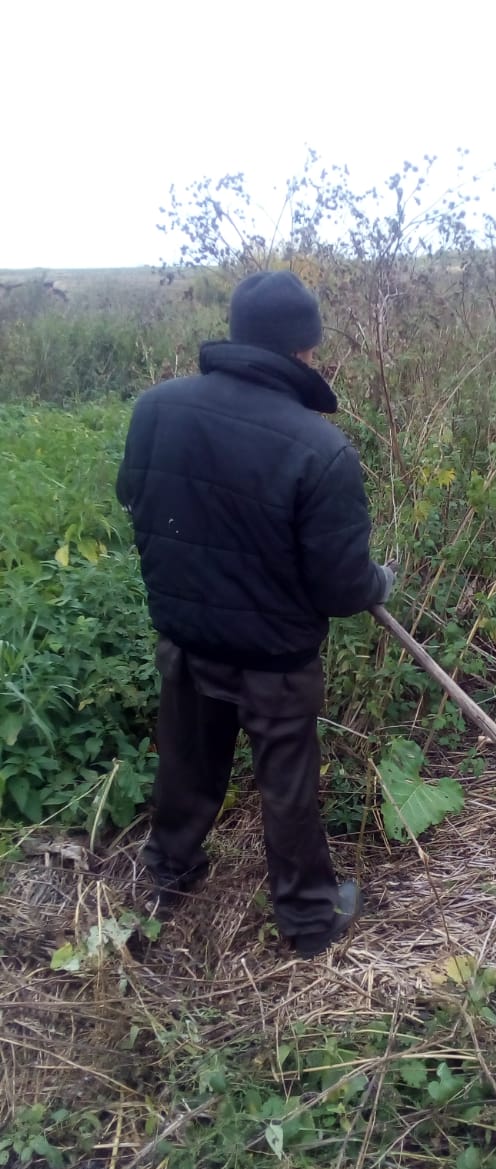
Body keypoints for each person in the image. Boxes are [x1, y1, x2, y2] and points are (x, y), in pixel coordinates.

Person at [116, 270, 395, 958]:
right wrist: (380, 581)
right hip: (275, 660)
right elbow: (342, 590)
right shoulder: (322, 449)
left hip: (186, 638)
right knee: (287, 788)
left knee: (187, 762)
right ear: (303, 350)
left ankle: (169, 874)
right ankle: (309, 918)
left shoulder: (156, 409)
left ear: (238, 333)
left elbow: (135, 499)